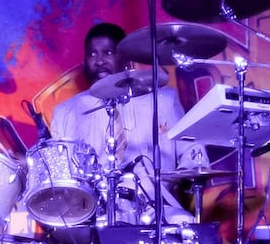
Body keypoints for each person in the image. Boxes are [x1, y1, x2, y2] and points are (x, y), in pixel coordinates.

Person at [48, 21, 192, 229]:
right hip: (91, 214)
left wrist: (193, 173)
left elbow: (191, 155)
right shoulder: (66, 112)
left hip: (156, 208)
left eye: (108, 52)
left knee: (183, 225)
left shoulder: (163, 101)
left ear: (125, 58)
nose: (99, 61)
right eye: (92, 54)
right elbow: (58, 173)